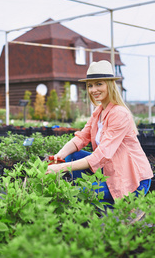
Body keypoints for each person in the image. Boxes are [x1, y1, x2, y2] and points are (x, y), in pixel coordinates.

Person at [46, 60, 153, 204]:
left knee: (80, 193)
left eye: (99, 84)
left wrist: (61, 167)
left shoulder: (119, 114)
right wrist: (58, 157)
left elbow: (101, 155)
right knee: (72, 155)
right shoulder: (99, 112)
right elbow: (81, 138)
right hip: (110, 171)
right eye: (90, 85)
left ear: (110, 85)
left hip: (132, 179)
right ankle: (95, 198)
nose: (93, 89)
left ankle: (115, 207)